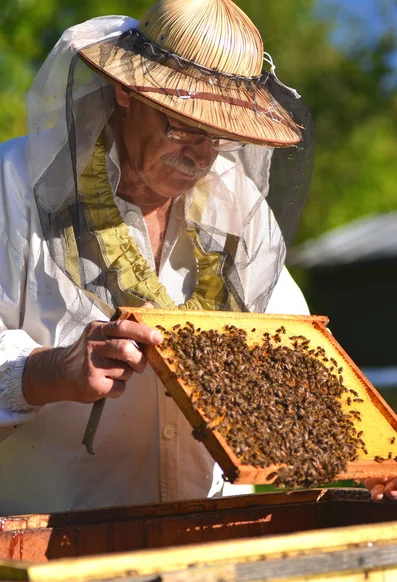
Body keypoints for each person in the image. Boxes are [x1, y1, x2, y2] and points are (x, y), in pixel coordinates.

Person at [0, 0, 385, 515]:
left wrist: (374, 462)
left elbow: (294, 354)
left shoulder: (239, 207)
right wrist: (46, 371)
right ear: (127, 92)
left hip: (217, 542)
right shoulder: (16, 184)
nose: (201, 156)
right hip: (59, 548)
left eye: (221, 135)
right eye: (182, 126)